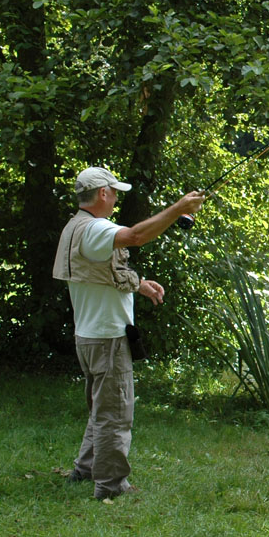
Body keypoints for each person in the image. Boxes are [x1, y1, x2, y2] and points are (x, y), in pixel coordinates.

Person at [52, 167, 205, 501]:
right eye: (115, 192)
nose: (117, 198)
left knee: (101, 408)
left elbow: (99, 273)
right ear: (103, 193)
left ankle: (85, 468)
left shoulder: (76, 227)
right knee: (115, 413)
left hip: (90, 335)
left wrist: (139, 284)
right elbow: (135, 236)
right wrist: (178, 209)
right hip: (106, 338)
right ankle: (110, 485)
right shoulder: (94, 228)